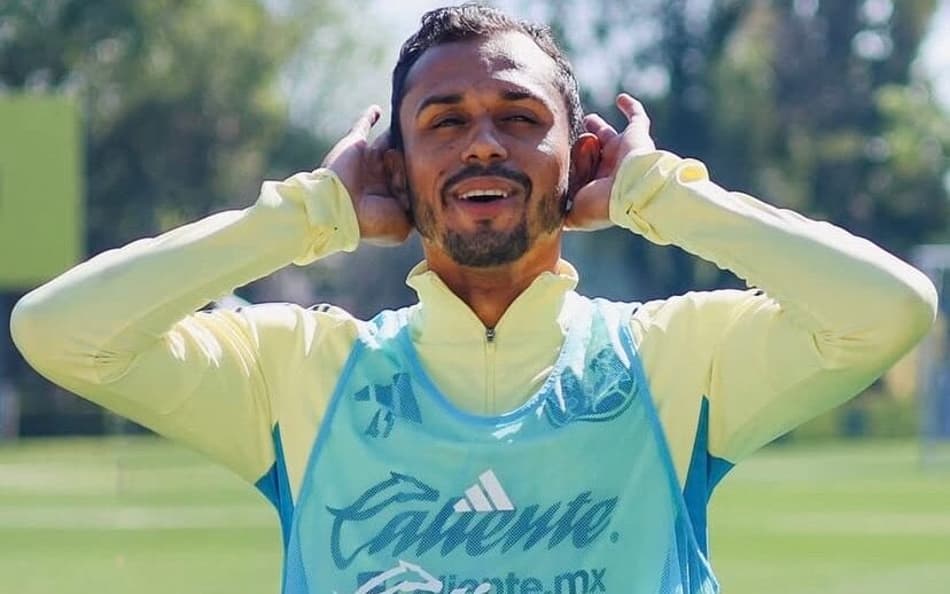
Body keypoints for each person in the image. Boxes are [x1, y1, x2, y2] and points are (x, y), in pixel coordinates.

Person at [9, 4, 937, 594]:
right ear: (396, 170)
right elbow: (59, 333)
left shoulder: (672, 358)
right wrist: (307, 216)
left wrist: (666, 196)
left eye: (521, 119)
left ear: (579, 160)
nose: (482, 144)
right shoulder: (298, 371)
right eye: (443, 123)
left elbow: (889, 311)